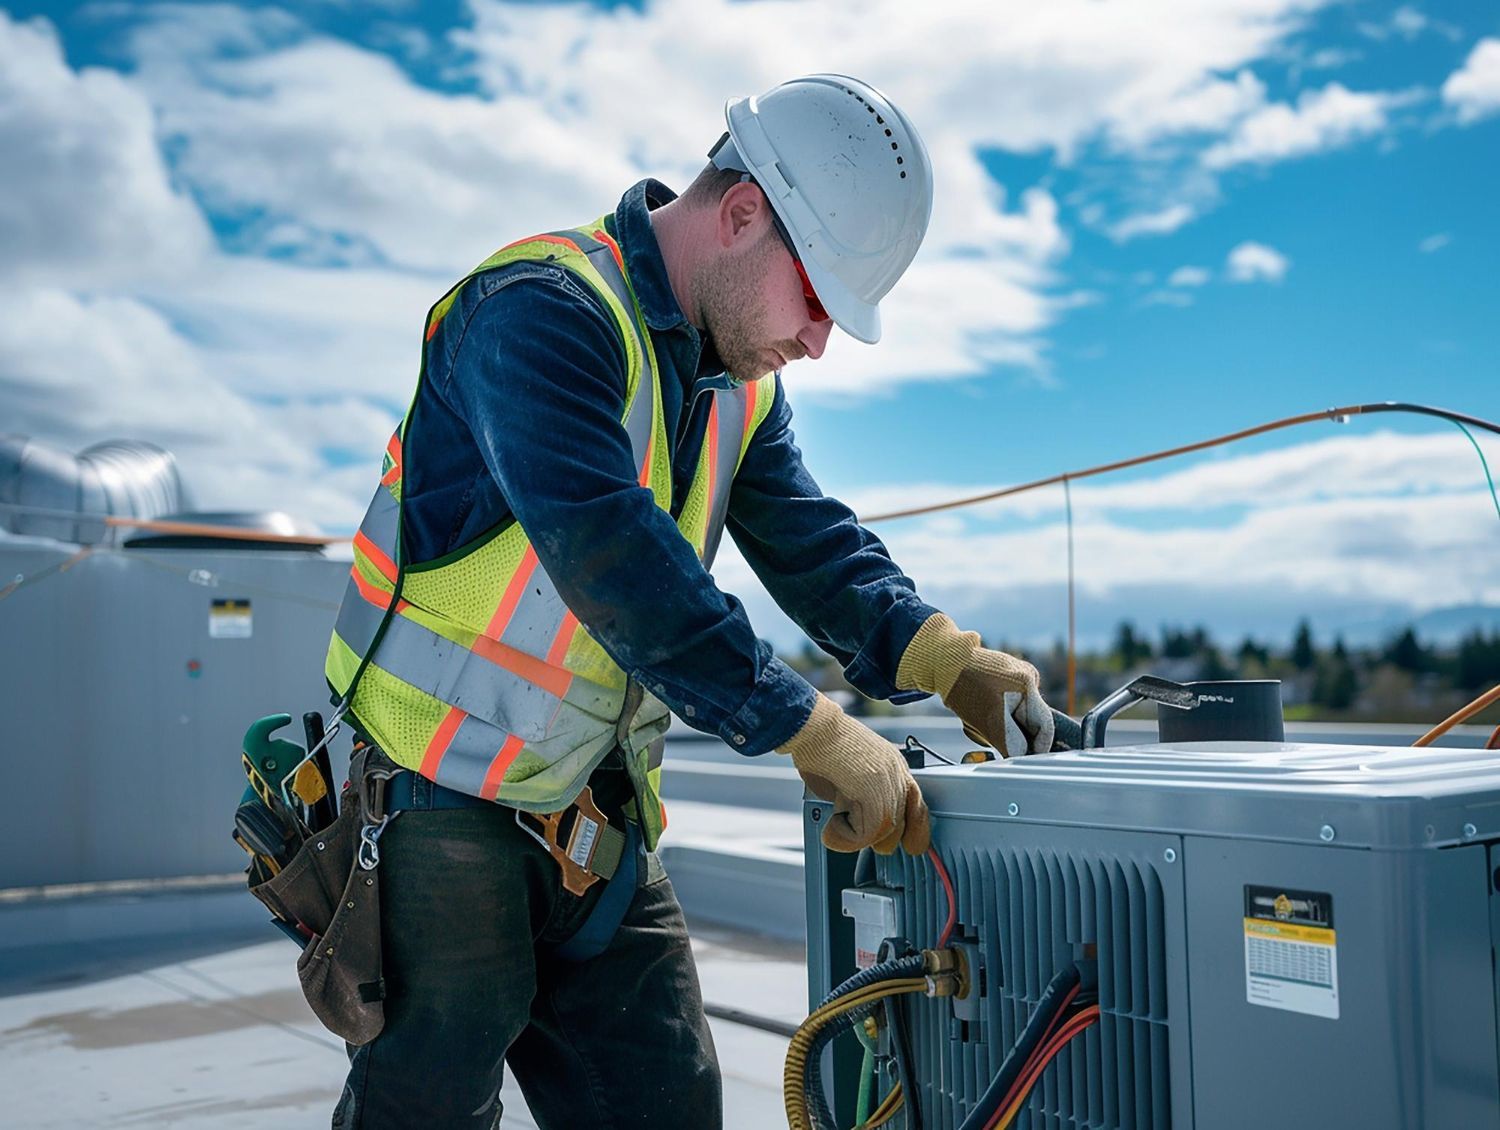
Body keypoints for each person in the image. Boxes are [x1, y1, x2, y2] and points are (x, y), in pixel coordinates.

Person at [322, 73, 1055, 1129]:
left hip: (592, 815)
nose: (817, 340)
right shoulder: (535, 312)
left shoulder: (739, 387)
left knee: (666, 1103)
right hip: (440, 803)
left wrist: (945, 658)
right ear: (744, 215)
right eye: (814, 299)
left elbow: (814, 544)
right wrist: (809, 727)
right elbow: (615, 558)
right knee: (425, 1110)